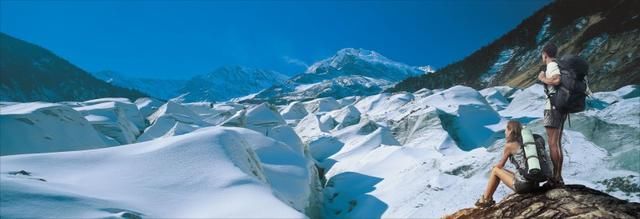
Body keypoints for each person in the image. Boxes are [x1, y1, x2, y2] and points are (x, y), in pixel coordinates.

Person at [475, 120, 539, 208]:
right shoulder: (527, 143)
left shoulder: (510, 145)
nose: (505, 132)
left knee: (495, 170)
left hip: (524, 186)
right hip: (535, 183)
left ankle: (486, 200)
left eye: (506, 130)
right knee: (502, 171)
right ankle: (486, 198)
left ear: (510, 131)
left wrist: (495, 167)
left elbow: (500, 165)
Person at [537, 43, 567, 187]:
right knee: (557, 144)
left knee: (553, 144)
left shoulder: (552, 66)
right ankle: (558, 176)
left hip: (553, 108)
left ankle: (556, 178)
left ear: (545, 54)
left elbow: (556, 80)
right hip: (559, 107)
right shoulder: (558, 65)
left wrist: (542, 78)